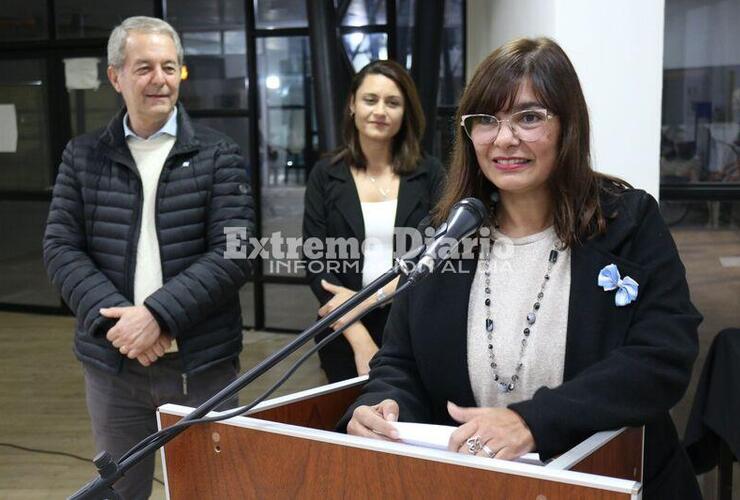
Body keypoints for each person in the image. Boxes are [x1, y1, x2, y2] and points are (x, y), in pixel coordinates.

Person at [341, 38, 702, 499]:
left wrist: (532, 420)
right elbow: (400, 361)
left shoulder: (627, 222)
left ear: (568, 126)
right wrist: (382, 404)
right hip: (474, 486)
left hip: (611, 481)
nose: (505, 138)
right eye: (486, 121)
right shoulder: (446, 235)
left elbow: (662, 358)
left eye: (529, 117)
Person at [42, 16, 254, 499]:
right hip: (113, 367)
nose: (159, 79)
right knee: (120, 492)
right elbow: (60, 248)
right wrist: (122, 325)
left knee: (211, 490)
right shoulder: (83, 156)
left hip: (201, 366)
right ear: (116, 76)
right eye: (144, 68)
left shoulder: (218, 155)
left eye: (169, 67)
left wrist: (157, 317)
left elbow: (235, 253)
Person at [303, 60, 445, 383]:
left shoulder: (431, 174)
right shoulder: (325, 175)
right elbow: (316, 265)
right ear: (352, 104)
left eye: (392, 102)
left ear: (405, 111)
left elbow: (435, 259)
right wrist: (359, 337)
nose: (380, 110)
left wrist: (367, 299)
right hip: (342, 329)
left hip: (413, 327)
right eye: (370, 100)